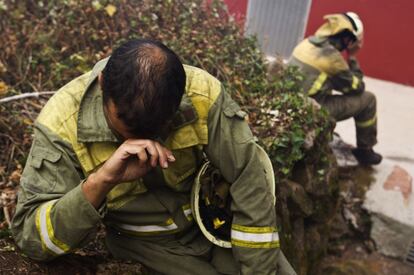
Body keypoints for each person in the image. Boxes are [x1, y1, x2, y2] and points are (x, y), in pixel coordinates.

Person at [11, 39, 295, 274]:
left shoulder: (202, 94)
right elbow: (32, 239)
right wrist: (102, 180)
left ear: (179, 99)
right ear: (102, 84)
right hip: (147, 246)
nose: (140, 143)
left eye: (157, 129)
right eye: (123, 127)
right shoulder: (61, 123)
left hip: (214, 229)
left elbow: (249, 177)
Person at [289, 12, 382, 165]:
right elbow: (356, 87)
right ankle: (365, 150)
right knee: (368, 99)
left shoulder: (307, 43)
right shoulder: (332, 58)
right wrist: (352, 57)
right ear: (348, 40)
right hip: (312, 109)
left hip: (291, 103)